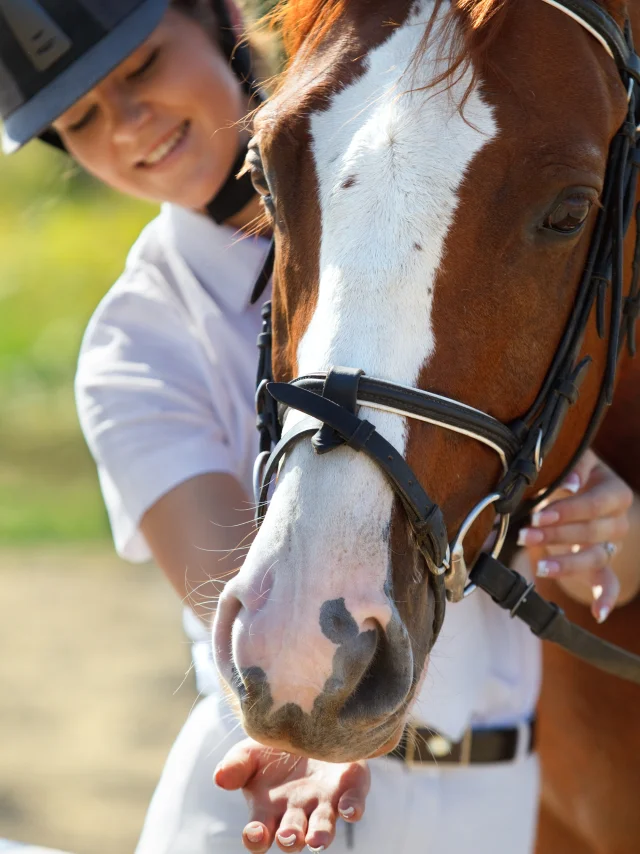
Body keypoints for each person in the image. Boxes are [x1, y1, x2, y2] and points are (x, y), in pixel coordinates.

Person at [1, 2, 638, 853]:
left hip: (496, 799)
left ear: (222, 22)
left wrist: (612, 538)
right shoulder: (133, 346)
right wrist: (302, 707)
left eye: (145, 66)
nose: (129, 122)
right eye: (80, 119)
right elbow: (233, 591)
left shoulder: (444, 224)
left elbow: (527, 509)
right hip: (281, 790)